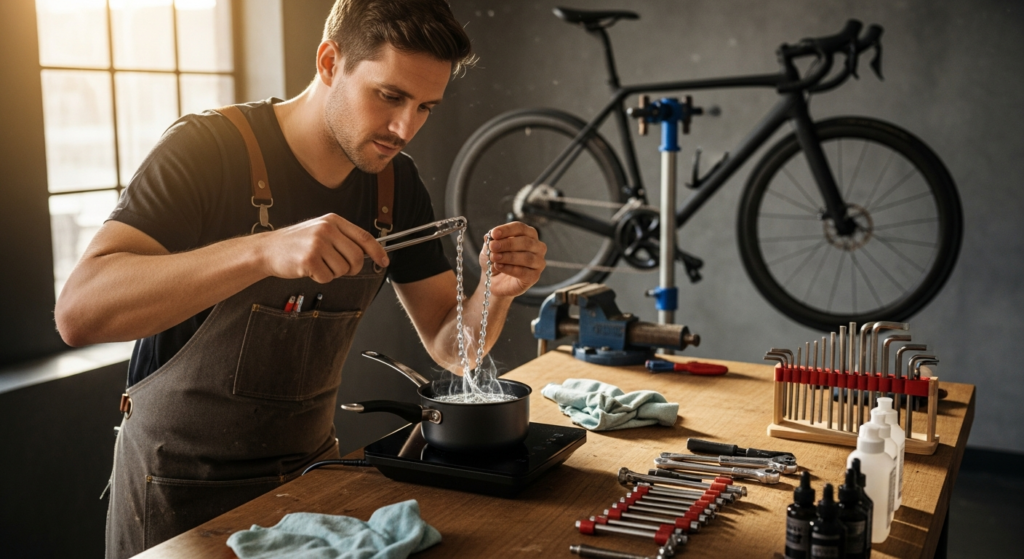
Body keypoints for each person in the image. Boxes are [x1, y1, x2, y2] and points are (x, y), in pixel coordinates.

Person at [53, 1, 546, 557]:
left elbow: (454, 349)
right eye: (389, 96)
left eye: (425, 107)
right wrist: (262, 251)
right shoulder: (207, 150)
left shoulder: (393, 184)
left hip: (312, 489)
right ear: (331, 61)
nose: (404, 128)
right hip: (178, 494)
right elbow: (79, 312)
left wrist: (495, 293)